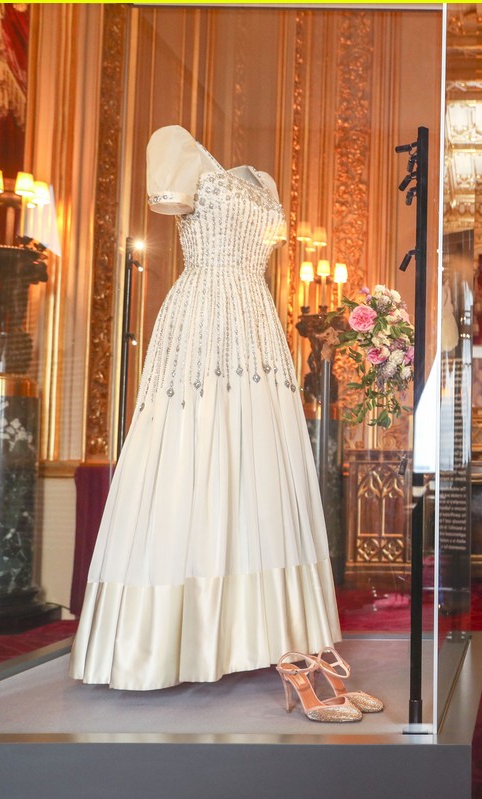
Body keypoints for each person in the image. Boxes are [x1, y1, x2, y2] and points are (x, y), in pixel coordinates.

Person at [70, 125, 344, 692]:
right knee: (191, 448)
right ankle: (173, 637)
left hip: (255, 321)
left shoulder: (265, 184)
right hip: (202, 314)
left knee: (255, 465)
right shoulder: (176, 147)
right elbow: (167, 199)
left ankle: (258, 631)